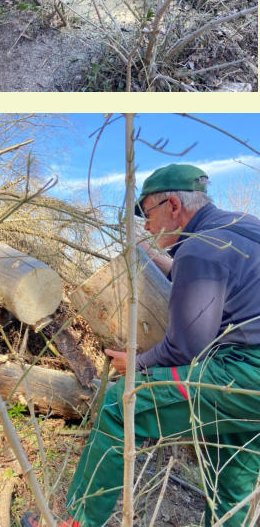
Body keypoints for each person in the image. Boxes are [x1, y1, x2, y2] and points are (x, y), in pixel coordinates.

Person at [21, 162, 260, 527]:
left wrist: (136, 362)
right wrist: (161, 261)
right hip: (252, 384)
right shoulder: (240, 227)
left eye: (147, 214)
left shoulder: (198, 250)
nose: (145, 225)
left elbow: (186, 348)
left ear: (173, 206)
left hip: (242, 373)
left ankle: (77, 521)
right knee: (233, 468)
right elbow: (216, 278)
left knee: (122, 403)